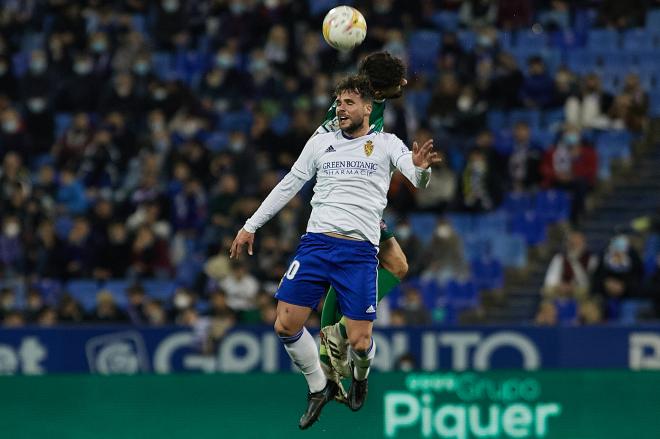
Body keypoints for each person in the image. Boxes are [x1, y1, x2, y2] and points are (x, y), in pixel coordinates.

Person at [230, 75, 439, 429]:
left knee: (360, 341)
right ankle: (319, 387)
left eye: (349, 103)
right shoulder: (321, 143)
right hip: (315, 245)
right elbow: (290, 183)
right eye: (338, 102)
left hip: (358, 252)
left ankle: (360, 376)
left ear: (368, 109)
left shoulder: (387, 143)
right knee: (285, 325)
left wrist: (422, 170)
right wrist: (251, 224)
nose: (341, 108)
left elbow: (417, 177)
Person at [313, 52, 412, 387]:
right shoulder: (363, 108)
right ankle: (333, 337)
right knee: (395, 266)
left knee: (396, 265)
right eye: (398, 82)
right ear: (379, 93)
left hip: (356, 196)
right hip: (348, 200)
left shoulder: (358, 99)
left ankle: (333, 337)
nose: (405, 84)